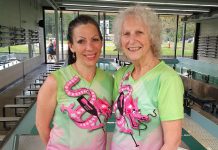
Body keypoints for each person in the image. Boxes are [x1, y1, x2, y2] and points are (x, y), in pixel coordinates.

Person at [111, 6, 184, 150]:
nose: (132, 40)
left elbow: (172, 142)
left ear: (152, 37)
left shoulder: (167, 79)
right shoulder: (121, 75)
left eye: (139, 32)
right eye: (126, 33)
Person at [36, 15, 113, 150]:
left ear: (101, 43)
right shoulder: (55, 81)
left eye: (95, 39)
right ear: (71, 46)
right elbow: (42, 126)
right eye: (81, 41)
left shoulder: (109, 80)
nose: (89, 47)